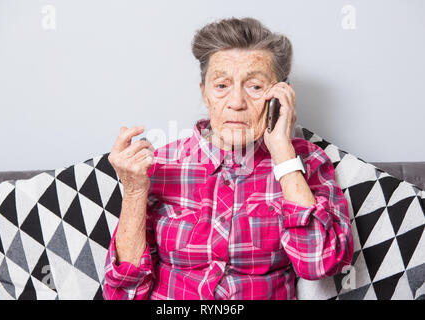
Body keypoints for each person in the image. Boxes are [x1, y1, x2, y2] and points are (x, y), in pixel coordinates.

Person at [103, 17, 354, 300]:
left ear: (282, 96)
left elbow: (320, 263)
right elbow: (123, 293)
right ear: (205, 93)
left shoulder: (307, 161)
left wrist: (282, 152)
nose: (236, 102)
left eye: (255, 87)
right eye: (221, 86)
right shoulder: (161, 163)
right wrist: (135, 191)